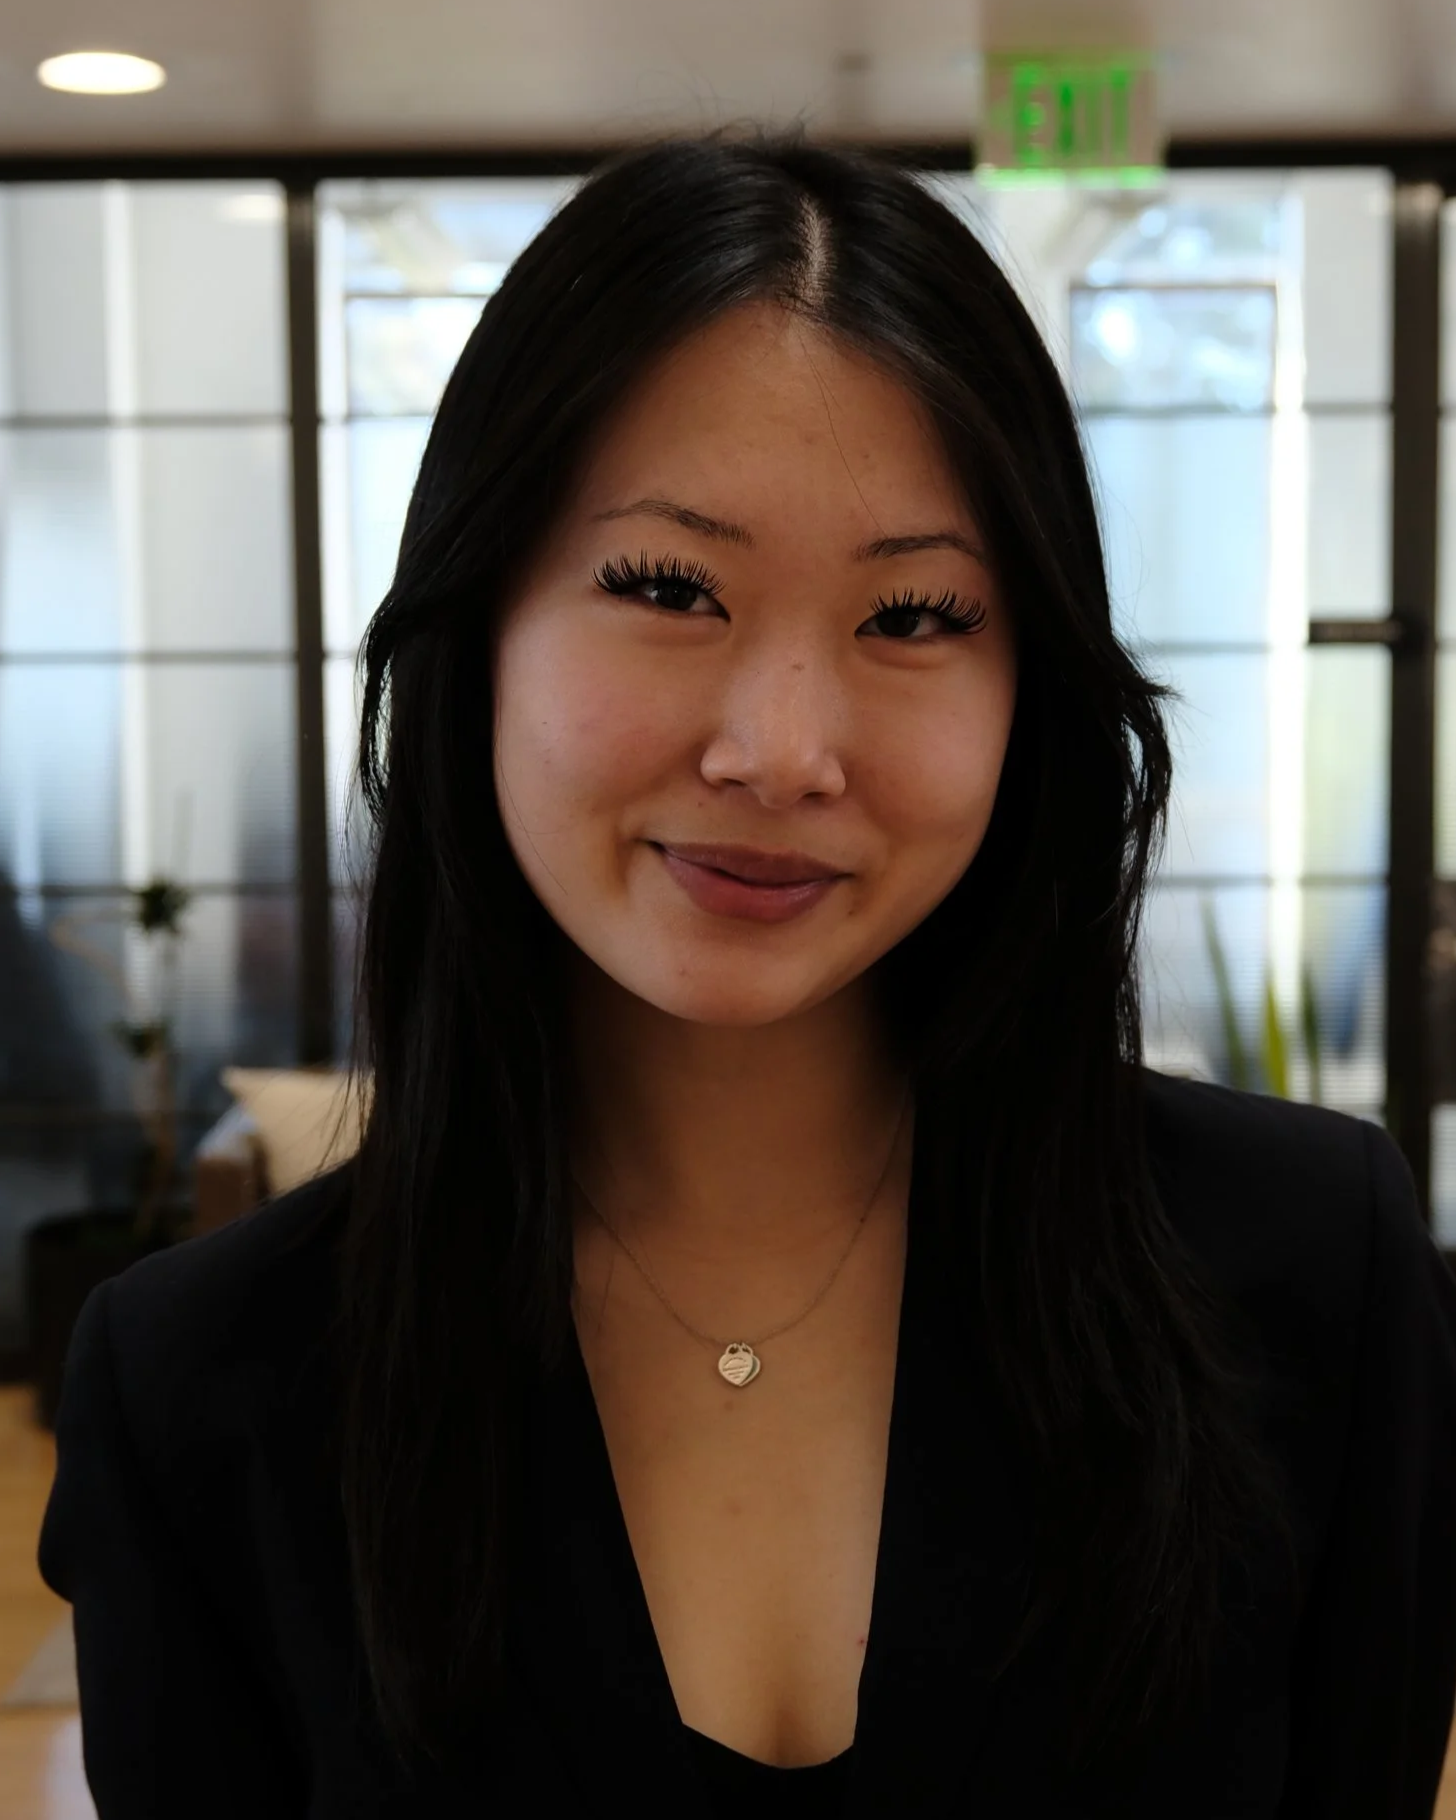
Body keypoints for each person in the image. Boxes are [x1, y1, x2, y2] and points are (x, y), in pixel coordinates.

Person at [37, 130, 1456, 1818]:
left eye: (915, 616)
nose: (782, 750)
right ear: (477, 627)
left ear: (1036, 688)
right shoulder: (209, 1389)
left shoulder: (1313, 1274)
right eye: (667, 586)